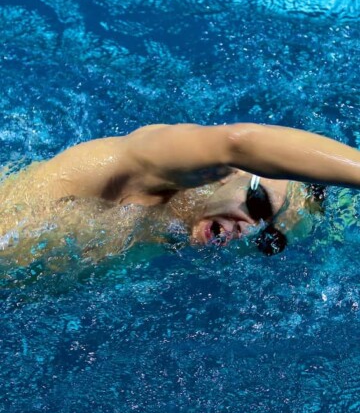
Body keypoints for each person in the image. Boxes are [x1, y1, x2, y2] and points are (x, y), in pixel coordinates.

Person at [1, 122, 360, 259]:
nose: (249, 229)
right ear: (230, 174)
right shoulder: (146, 172)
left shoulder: (157, 238)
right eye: (257, 202)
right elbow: (237, 143)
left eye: (269, 239)